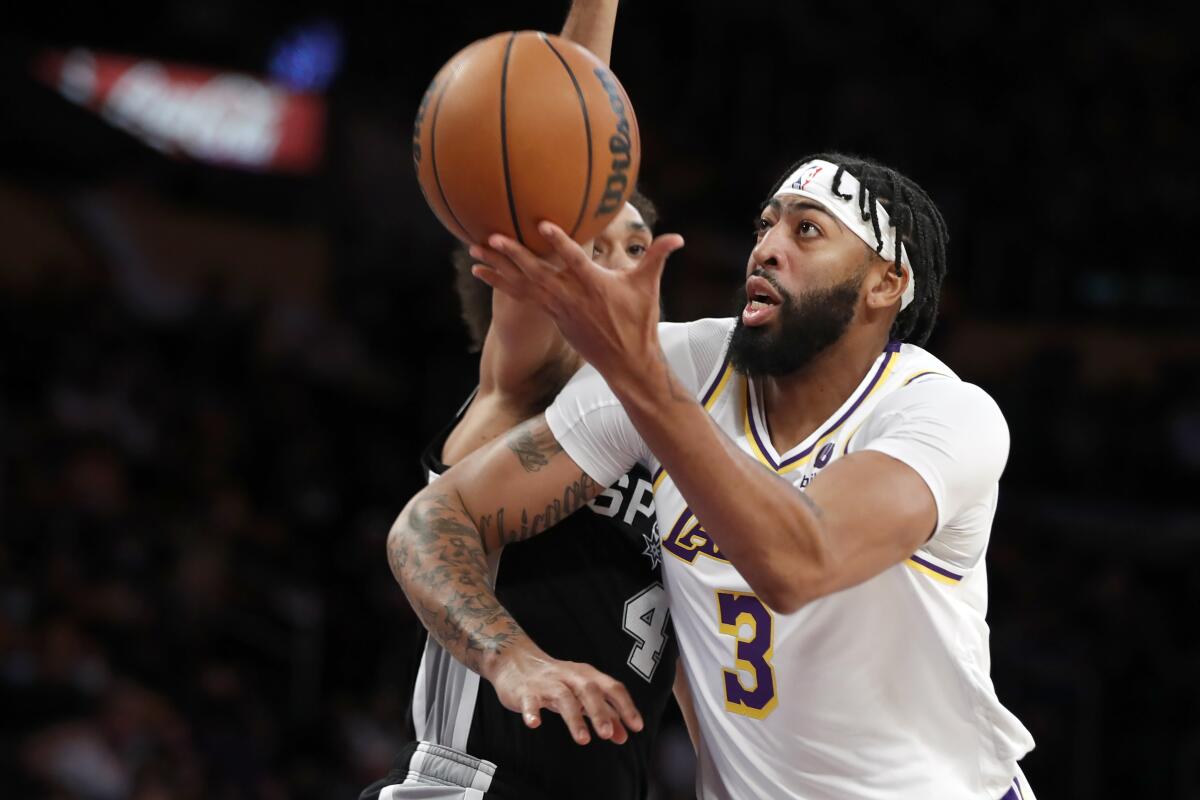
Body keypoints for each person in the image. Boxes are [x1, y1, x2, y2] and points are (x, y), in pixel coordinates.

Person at [386, 152, 1038, 798]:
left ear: (885, 283)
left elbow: (795, 564)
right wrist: (509, 657)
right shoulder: (683, 364)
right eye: (766, 226)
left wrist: (643, 381)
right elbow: (432, 519)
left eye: (807, 230)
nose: (767, 249)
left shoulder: (941, 416)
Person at [359, 7, 686, 799]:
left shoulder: (679, 433)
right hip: (479, 781)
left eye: (635, 247)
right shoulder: (534, 386)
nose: (614, 263)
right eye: (591, 244)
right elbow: (550, 167)